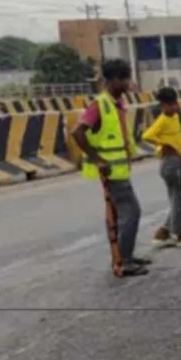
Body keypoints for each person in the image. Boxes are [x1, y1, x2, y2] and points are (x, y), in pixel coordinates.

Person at [72, 59, 150, 277]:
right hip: (112, 172)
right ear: (113, 80)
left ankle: (123, 256)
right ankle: (124, 261)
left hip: (119, 169)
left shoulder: (116, 103)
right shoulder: (101, 104)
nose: (128, 83)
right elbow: (77, 132)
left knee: (120, 214)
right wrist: (97, 159)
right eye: (125, 79)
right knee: (131, 212)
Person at [142, 87, 181, 249]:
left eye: (175, 103)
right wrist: (165, 145)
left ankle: (163, 232)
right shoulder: (162, 120)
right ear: (162, 105)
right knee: (180, 199)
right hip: (170, 162)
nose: (174, 107)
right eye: (170, 105)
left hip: (177, 161)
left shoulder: (174, 117)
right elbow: (147, 135)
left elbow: (176, 136)